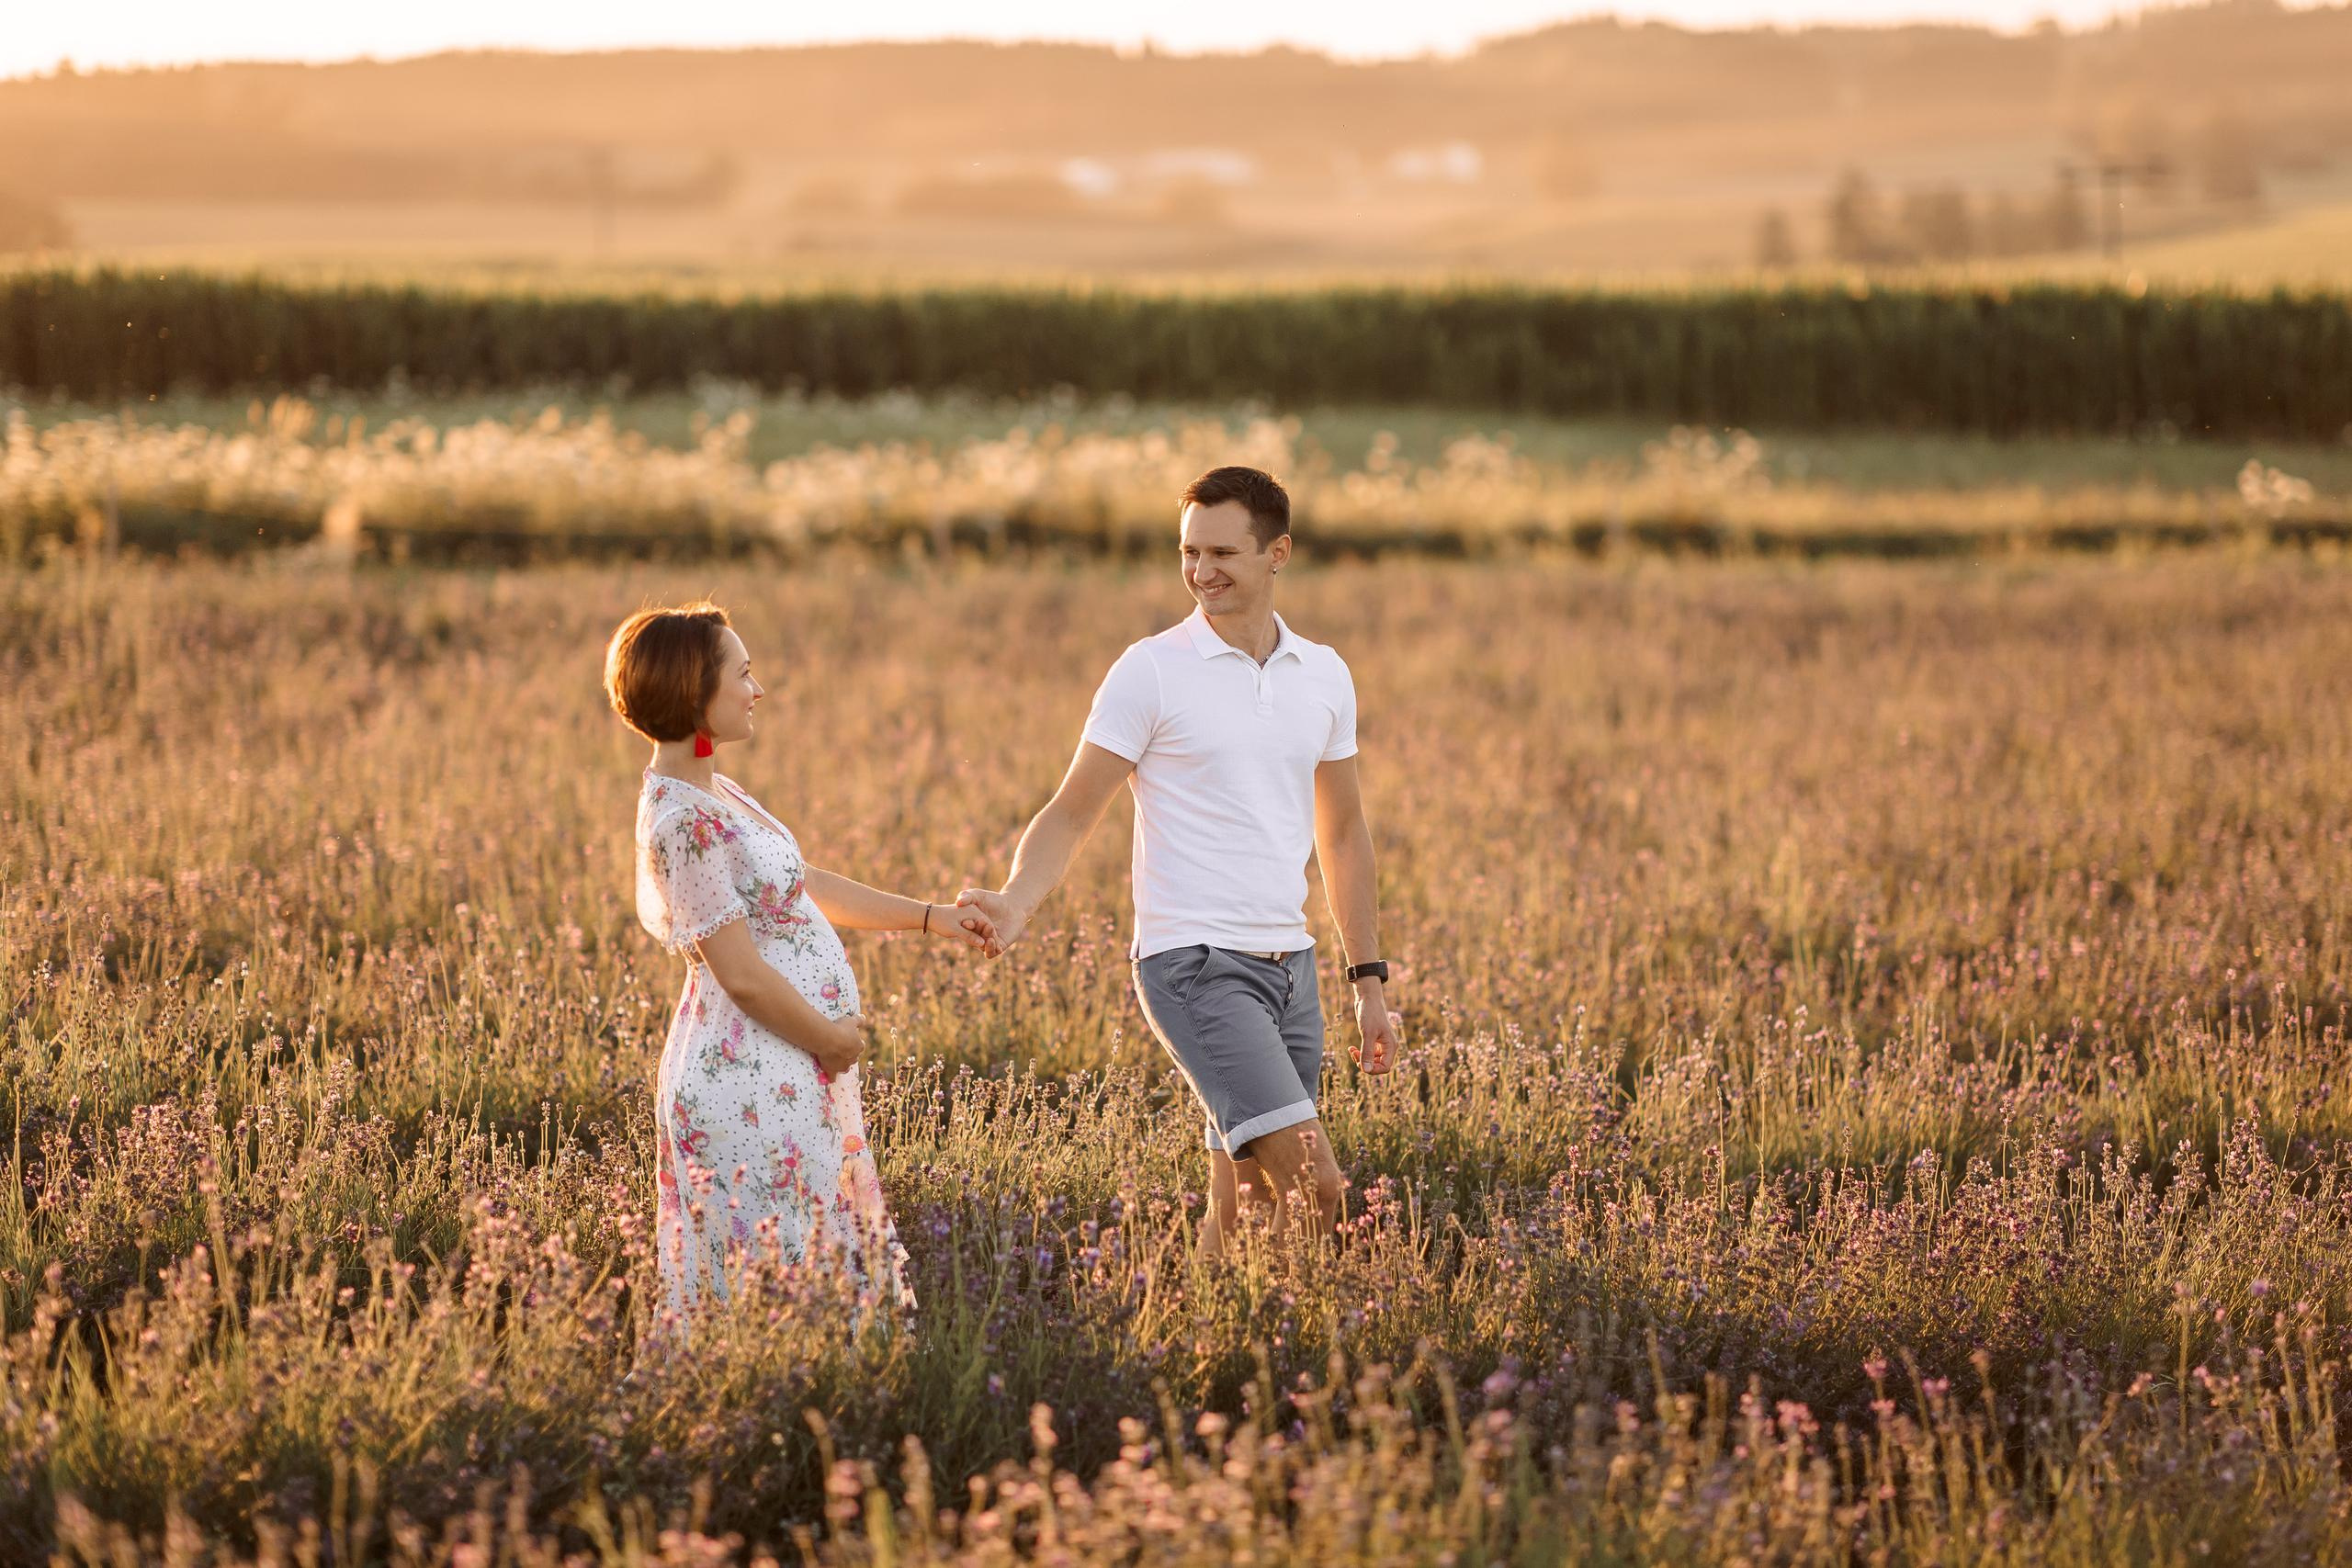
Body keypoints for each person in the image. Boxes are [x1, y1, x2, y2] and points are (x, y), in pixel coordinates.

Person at [957, 466, 1396, 1257]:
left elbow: (1344, 833)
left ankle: (1209, 1348)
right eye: (1188, 551)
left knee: (1250, 1206)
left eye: (1223, 551)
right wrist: (1017, 901)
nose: (1201, 571)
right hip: (1194, 965)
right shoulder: (1151, 669)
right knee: (1317, 1188)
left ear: (1279, 552)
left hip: (1292, 967)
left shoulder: (1325, 674)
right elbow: (1071, 810)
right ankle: (1313, 1363)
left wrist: (1369, 981)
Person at [603, 601, 993, 1325]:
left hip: (777, 1068)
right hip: (746, 1077)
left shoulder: (710, 788)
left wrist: (931, 918)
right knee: (779, 1290)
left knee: (808, 1270)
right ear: (695, 693)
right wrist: (832, 1039)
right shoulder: (682, 820)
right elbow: (741, 975)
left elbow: (800, 880)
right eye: (743, 674)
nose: (759, 689)